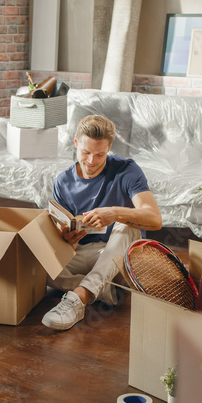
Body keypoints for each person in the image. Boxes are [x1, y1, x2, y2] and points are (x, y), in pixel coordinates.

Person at [42, 115, 162, 330]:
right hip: (82, 253)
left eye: (100, 154)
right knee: (37, 264)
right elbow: (63, 231)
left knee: (127, 225)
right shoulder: (63, 181)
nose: (91, 161)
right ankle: (103, 290)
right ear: (76, 143)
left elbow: (154, 219)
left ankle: (79, 297)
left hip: (118, 256)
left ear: (110, 147)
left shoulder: (126, 170)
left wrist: (115, 213)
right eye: (86, 153)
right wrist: (67, 237)